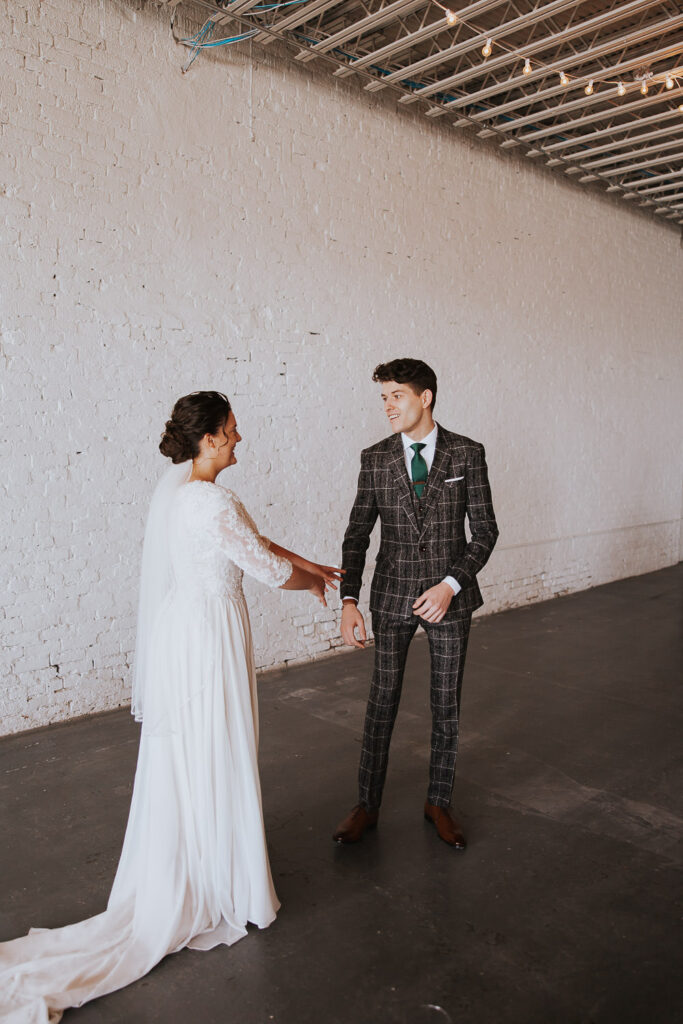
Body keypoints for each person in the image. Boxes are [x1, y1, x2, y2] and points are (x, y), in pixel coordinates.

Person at [0, 391, 341, 1022]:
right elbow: (264, 568)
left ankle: (205, 852)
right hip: (210, 637)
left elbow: (256, 540)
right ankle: (221, 881)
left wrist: (310, 561)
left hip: (185, 632)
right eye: (233, 432)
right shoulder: (213, 502)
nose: (241, 440)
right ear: (209, 438)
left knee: (194, 749)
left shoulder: (184, 493)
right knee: (221, 743)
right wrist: (311, 580)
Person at [334, 360, 498, 849]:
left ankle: (438, 803)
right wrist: (348, 599)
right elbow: (357, 533)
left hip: (449, 597)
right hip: (390, 594)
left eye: (397, 395)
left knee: (445, 703)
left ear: (425, 397)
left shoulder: (467, 454)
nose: (388, 406)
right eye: (383, 397)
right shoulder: (375, 458)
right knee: (381, 702)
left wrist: (450, 584)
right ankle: (367, 804)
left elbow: (485, 532)